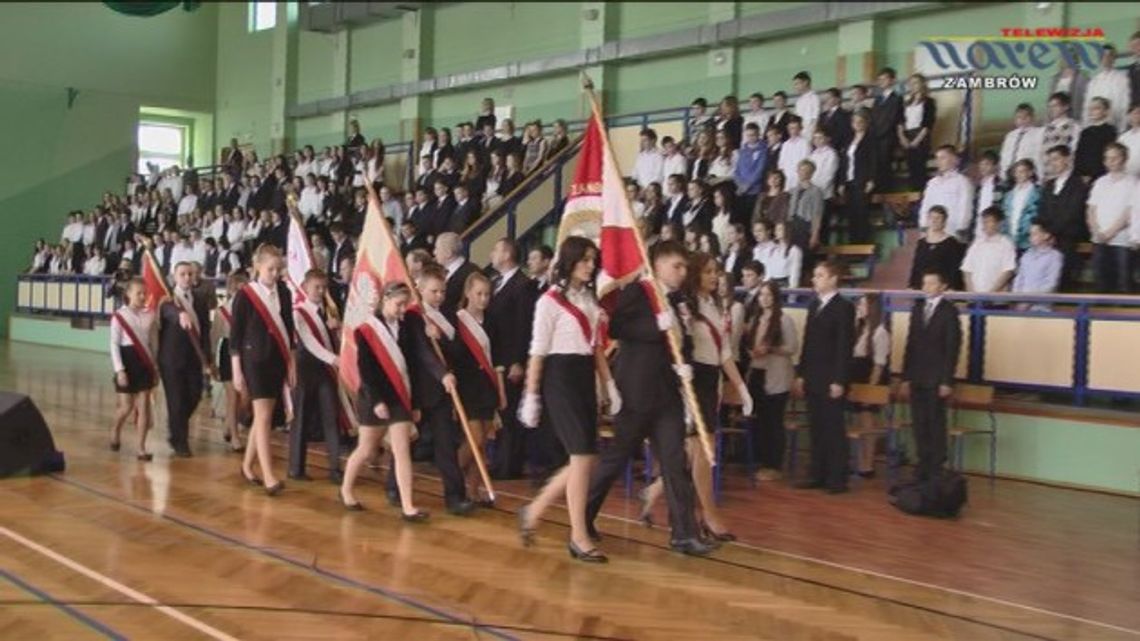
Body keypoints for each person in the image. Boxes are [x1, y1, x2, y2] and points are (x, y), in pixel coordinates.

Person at [584, 240, 716, 556]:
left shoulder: (680, 300)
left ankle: (683, 533)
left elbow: (681, 339)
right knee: (616, 459)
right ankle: (583, 516)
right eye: (677, 266)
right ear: (656, 264)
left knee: (674, 461)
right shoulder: (639, 292)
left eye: (685, 267)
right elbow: (617, 326)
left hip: (668, 394)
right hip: (637, 392)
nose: (683, 273)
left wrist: (685, 363)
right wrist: (654, 326)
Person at [517, 236, 618, 563]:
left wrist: (609, 385)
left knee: (585, 459)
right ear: (570, 261)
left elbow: (597, 347)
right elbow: (537, 352)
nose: (590, 266)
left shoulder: (589, 299)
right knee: (581, 456)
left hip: (584, 377)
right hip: (559, 379)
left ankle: (534, 509)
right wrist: (531, 395)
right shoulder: (549, 301)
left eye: (593, 260)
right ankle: (578, 535)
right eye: (584, 260)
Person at [638, 254, 753, 540]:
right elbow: (678, 345)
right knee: (703, 451)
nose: (715, 277)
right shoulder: (685, 305)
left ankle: (652, 492)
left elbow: (724, 352)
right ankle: (709, 515)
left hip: (711, 379)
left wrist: (741, 387)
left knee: (695, 452)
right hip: (692, 378)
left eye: (716, 272)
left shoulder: (715, 305)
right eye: (708, 272)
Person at [339, 280, 430, 521]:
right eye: (399, 305)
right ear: (385, 300)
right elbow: (366, 371)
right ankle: (346, 489)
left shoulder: (407, 329)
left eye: (405, 305)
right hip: (374, 398)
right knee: (367, 448)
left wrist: (416, 402)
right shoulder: (366, 331)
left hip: (400, 396)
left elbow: (413, 368)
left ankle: (408, 505)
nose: (402, 310)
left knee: (401, 451)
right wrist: (377, 400)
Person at [399, 265, 475, 515]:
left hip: (444, 391)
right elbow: (422, 353)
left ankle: (455, 497)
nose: (439, 296)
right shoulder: (412, 315)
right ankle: (393, 486)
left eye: (442, 291)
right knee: (408, 442)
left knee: (446, 445)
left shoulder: (446, 316)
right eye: (434, 292)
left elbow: (458, 351)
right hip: (420, 390)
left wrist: (441, 337)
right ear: (419, 289)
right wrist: (441, 374)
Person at [231, 245, 296, 496]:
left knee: (263, 418)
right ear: (257, 267)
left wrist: (291, 361)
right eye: (270, 268)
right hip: (253, 361)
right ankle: (268, 475)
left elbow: (288, 329)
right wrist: (237, 372)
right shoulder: (245, 295)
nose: (275, 273)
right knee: (264, 417)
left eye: (278, 268)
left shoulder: (284, 292)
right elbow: (235, 337)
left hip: (277, 359)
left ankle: (247, 466)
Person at [793, 261, 855, 494]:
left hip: (831, 378)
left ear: (833, 279)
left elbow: (843, 347)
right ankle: (817, 473)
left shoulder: (844, 307)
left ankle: (837, 478)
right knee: (816, 427)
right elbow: (808, 343)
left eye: (819, 276)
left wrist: (839, 380)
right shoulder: (813, 305)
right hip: (813, 376)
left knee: (833, 428)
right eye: (814, 275)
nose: (814, 279)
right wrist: (801, 374)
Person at [901, 268, 961, 481]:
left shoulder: (949, 311)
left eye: (932, 283)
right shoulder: (918, 309)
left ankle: (937, 465)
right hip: (917, 375)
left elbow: (952, 348)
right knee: (919, 423)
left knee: (935, 422)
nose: (927, 287)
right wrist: (906, 376)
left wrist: (947, 380)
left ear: (943, 286)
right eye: (924, 283)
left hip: (936, 378)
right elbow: (911, 344)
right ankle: (922, 463)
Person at [453, 272, 506, 504]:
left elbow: (497, 360)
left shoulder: (494, 321)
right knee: (473, 440)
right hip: (467, 386)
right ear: (468, 294)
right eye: (479, 294)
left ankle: (473, 492)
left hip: (488, 387)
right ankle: (452, 478)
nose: (484, 299)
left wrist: (501, 392)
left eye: (487, 294)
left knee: (482, 442)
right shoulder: (458, 321)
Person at [289, 269, 344, 484]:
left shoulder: (330, 312)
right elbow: (310, 343)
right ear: (305, 287)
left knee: (331, 417)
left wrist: (337, 330)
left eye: (323, 287)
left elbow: (338, 341)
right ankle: (296, 467)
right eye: (316, 287)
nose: (320, 292)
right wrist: (335, 360)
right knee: (300, 418)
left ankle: (335, 468)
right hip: (305, 369)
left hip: (325, 371)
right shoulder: (298, 312)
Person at [744, 280, 798, 482]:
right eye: (761, 295)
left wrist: (771, 349)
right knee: (759, 420)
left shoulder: (784, 320)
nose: (764, 299)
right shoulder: (757, 319)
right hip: (757, 372)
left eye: (768, 295)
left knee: (773, 421)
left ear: (775, 298)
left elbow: (792, 347)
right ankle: (759, 459)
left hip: (776, 376)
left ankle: (773, 464)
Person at [158, 261, 211, 458]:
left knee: (195, 395)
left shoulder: (200, 298)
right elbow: (168, 313)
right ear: (175, 276)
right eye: (183, 274)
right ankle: (180, 442)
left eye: (190, 274)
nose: (187, 277)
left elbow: (205, 329)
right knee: (176, 400)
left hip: (194, 357)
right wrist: (180, 314)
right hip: (171, 359)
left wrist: (207, 357)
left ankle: (175, 425)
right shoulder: (168, 299)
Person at [109, 278, 158, 461]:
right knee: (126, 406)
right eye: (139, 293)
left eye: (145, 293)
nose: (143, 296)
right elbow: (114, 344)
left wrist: (155, 365)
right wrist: (119, 370)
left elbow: (152, 342)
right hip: (126, 361)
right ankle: (115, 429)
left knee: (143, 405)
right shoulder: (119, 316)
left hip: (143, 363)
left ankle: (141, 448)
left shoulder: (150, 314)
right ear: (128, 294)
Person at [848, 293, 890, 477]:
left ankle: (867, 464)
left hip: (871, 379)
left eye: (863, 305)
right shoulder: (859, 329)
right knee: (858, 421)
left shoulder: (880, 332)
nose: (859, 308)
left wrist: (870, 389)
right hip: (857, 377)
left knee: (868, 422)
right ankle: (858, 460)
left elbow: (879, 364)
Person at [1037, 145, 1090, 291]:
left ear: (1067, 159)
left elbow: (1073, 212)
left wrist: (1051, 232)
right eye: (1050, 161)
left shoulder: (1078, 184)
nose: (1053, 163)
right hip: (1048, 238)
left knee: (1063, 278)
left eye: (1056, 159)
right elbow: (1042, 210)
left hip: (1068, 237)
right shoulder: (1048, 185)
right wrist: (1045, 233)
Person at [1085, 142, 1136, 292]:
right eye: (1107, 158)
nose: (1111, 161)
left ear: (1124, 159)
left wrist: (1111, 232)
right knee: (1101, 280)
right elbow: (1091, 208)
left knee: (1123, 281)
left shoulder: (1133, 182)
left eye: (1115, 158)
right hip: (1099, 238)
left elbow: (1130, 211)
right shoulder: (1100, 182)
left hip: (1122, 239)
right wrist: (1096, 230)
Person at [212, 271, 247, 453]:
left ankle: (228, 425)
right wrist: (211, 362)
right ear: (231, 290)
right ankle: (234, 436)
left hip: (245, 352)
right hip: (228, 351)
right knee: (233, 397)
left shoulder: (251, 310)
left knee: (243, 399)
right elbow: (214, 337)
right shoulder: (222, 311)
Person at [919, 145, 974, 240]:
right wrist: (923, 225)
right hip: (932, 231)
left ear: (954, 160)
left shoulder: (962, 182)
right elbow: (926, 205)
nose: (939, 162)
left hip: (952, 231)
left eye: (943, 158)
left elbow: (965, 206)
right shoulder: (932, 183)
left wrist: (961, 227)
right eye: (937, 158)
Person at [838, 109, 877, 243]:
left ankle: (863, 243)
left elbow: (874, 160)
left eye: (860, 121)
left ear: (866, 123)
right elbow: (844, 162)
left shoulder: (871, 138)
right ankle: (853, 244)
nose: (857, 124)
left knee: (862, 212)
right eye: (855, 121)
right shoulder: (849, 139)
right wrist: (842, 182)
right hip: (849, 180)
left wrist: (871, 179)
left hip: (863, 180)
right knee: (851, 214)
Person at [961, 207, 1017, 293]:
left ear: (999, 223)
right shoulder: (977, 243)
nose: (985, 224)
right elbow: (967, 269)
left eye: (989, 221)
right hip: (974, 296)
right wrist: (971, 291)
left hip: (995, 299)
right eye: (983, 221)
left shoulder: (1006, 244)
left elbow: (1008, 271)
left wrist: (990, 293)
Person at [909, 206, 965, 291]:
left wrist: (951, 287)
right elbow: (916, 266)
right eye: (931, 217)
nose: (934, 221)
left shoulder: (952, 243)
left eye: (938, 218)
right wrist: (912, 286)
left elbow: (955, 269)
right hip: (922, 289)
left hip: (943, 289)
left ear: (944, 222)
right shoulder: (921, 243)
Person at [1012, 223, 1065, 307]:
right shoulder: (1027, 255)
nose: (1031, 237)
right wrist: (1017, 297)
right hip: (1020, 303)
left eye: (1035, 234)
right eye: (1030, 234)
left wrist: (1029, 301)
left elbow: (1050, 284)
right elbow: (1019, 278)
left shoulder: (1054, 256)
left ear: (1046, 235)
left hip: (1041, 306)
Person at [899, 73, 936, 191]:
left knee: (919, 166)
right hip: (907, 135)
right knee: (910, 167)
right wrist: (902, 137)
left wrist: (917, 140)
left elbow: (928, 124)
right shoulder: (906, 102)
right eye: (911, 83)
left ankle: (921, 192)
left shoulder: (929, 101)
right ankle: (912, 192)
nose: (913, 85)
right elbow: (900, 121)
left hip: (920, 136)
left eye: (916, 82)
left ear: (922, 84)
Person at [1083, 44, 1131, 131]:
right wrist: (1085, 125)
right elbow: (1087, 105)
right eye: (1103, 56)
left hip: (1113, 125)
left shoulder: (1122, 79)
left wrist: (1122, 128)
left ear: (1113, 58)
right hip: (1094, 126)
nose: (1106, 59)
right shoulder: (1094, 81)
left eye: (1109, 56)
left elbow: (1124, 105)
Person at [870, 67, 903, 191]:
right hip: (875, 137)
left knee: (885, 165)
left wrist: (879, 133)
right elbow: (872, 118)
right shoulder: (877, 99)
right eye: (880, 79)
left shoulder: (896, 99)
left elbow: (892, 120)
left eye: (885, 78)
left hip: (887, 137)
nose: (881, 81)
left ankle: (886, 192)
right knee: (875, 165)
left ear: (892, 80)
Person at [1075, 97, 1119, 184]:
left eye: (1096, 108)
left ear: (1106, 111)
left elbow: (1106, 154)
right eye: (1090, 109)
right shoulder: (1085, 132)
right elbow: (1079, 154)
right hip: (1082, 177)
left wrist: (1092, 175)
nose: (1092, 111)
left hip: (1100, 175)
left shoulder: (1110, 131)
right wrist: (1081, 174)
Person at [434, 231, 479, 316]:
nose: (434, 252)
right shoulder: (440, 272)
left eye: (437, 248)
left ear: (448, 253)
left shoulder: (472, 273)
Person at [1002, 159, 1041, 251]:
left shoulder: (1038, 192)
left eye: (1022, 171)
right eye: (1016, 172)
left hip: (1029, 241)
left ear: (1030, 172)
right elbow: (1004, 215)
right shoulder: (1009, 195)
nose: (1019, 175)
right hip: (1009, 240)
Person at [999, 103, 1045, 182]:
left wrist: (1040, 178)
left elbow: (1039, 157)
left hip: (1028, 176)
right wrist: (1002, 175)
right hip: (1009, 176)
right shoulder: (1010, 135)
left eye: (1025, 117)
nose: (1022, 120)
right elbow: (1004, 156)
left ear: (1032, 117)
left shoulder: (1039, 133)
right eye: (1019, 117)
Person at [788, 160, 825, 256]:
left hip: (805, 225)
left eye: (806, 170)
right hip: (792, 224)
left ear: (811, 173)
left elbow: (817, 214)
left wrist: (814, 234)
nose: (802, 173)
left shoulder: (816, 191)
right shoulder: (793, 190)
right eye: (800, 170)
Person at [1040, 93, 1082, 176]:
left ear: (1066, 106)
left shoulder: (1074, 127)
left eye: (1055, 106)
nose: (1052, 109)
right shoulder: (1046, 128)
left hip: (1066, 172)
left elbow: (1074, 151)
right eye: (1050, 106)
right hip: (1048, 173)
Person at [733, 123, 768, 220]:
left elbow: (759, 171)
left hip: (754, 190)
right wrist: (739, 184)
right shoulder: (743, 151)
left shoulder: (763, 150)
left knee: (752, 219)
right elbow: (736, 170)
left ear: (758, 135)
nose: (751, 138)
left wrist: (747, 185)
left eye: (753, 135)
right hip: (741, 190)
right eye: (748, 135)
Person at [972, 150, 1006, 240]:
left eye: (987, 164)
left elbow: (1000, 208)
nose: (983, 167)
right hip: (979, 227)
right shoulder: (979, 186)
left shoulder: (1000, 185)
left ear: (995, 166)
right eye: (981, 164)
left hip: (993, 227)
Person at [777, 117, 811, 190]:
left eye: (795, 128)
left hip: (799, 179)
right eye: (791, 128)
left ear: (800, 129)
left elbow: (805, 162)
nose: (793, 130)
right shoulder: (785, 144)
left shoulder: (805, 143)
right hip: (787, 180)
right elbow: (781, 164)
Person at [792, 71, 820, 136]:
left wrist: (811, 136)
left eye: (797, 84)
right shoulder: (799, 101)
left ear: (805, 82)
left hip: (809, 134)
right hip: (799, 134)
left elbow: (815, 119)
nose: (796, 87)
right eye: (795, 84)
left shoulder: (814, 98)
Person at [1118, 104, 1140, 178]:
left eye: (1138, 113)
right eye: (1132, 113)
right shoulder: (1123, 137)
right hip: (1125, 175)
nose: (1135, 116)